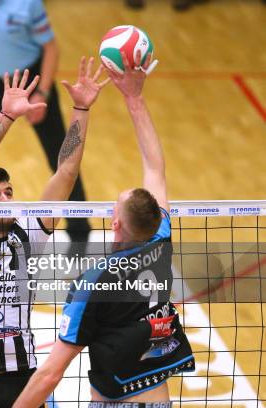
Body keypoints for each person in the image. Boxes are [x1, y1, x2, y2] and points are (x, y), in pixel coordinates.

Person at [12, 53, 195, 407]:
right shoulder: (160, 242)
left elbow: (51, 374)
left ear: (115, 225)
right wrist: (134, 98)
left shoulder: (94, 282)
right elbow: (155, 167)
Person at [0, 59, 109, 408]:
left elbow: (65, 173)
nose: (4, 199)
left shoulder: (28, 232)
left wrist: (81, 109)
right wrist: (6, 117)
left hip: (22, 379)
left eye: (8, 192)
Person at [0, 0, 92, 247]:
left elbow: (51, 48)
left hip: (32, 81)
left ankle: (80, 232)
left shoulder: (28, 4)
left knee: (63, 159)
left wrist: (43, 92)